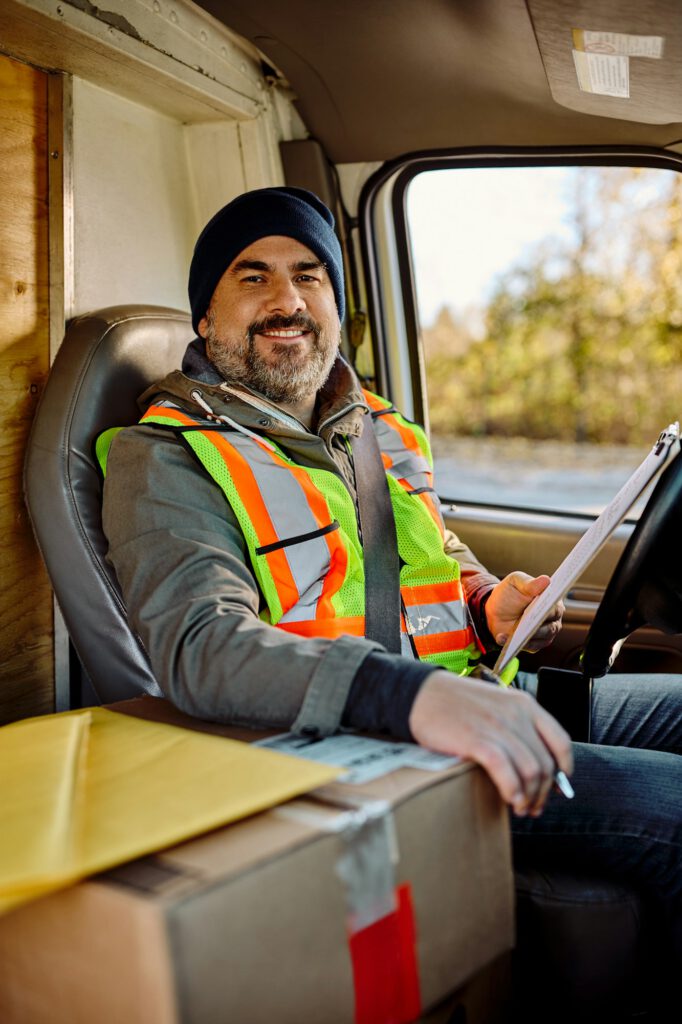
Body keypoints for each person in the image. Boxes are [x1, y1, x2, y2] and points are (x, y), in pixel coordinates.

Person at [102, 187, 681, 971]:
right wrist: (411, 694)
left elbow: (436, 558)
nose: (287, 300)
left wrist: (492, 606)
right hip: (351, 748)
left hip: (477, 691)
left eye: (310, 277)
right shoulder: (164, 455)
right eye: (252, 277)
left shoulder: (377, 426)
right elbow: (201, 648)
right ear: (204, 318)